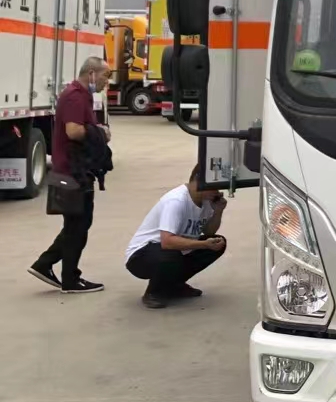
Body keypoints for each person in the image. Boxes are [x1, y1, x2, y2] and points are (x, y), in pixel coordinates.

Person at [28, 56, 112, 294]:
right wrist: (100, 132)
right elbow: (73, 131)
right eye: (106, 75)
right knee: (77, 226)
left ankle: (46, 266)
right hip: (72, 172)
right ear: (92, 73)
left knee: (78, 224)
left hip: (77, 169)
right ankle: (68, 278)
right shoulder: (75, 96)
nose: (107, 81)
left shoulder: (82, 95)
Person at [124, 166, 228, 308]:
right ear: (197, 180)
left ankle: (174, 285)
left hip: (173, 251)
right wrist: (203, 244)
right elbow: (167, 241)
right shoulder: (176, 200)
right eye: (213, 186)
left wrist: (218, 211)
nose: (217, 192)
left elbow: (209, 231)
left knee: (217, 244)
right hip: (141, 256)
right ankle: (153, 293)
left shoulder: (207, 201)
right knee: (171, 253)